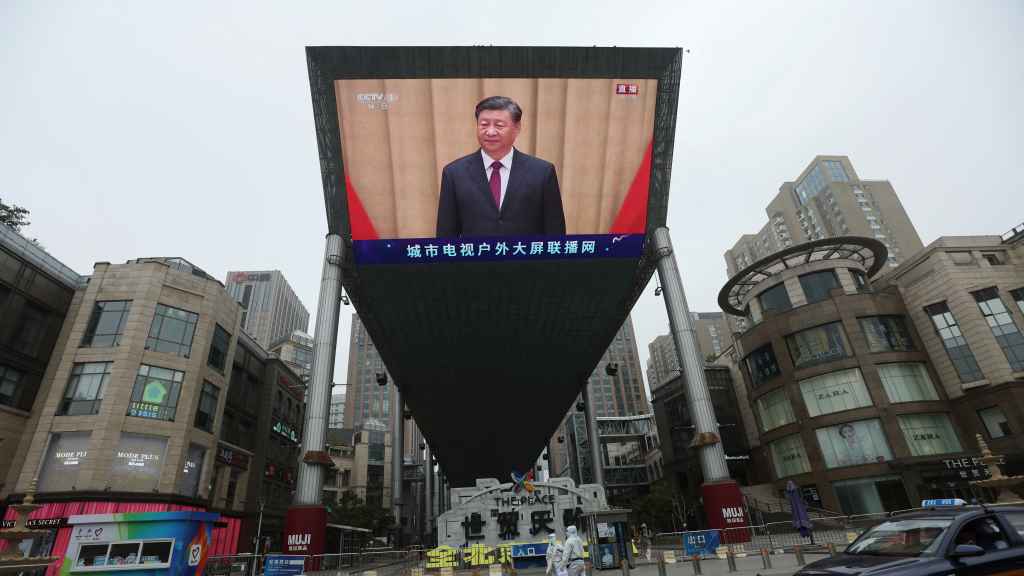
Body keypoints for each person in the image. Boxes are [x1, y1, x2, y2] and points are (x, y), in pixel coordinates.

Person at [435, 96, 566, 238]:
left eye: (499, 125)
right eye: (484, 124)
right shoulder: (454, 174)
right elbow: (445, 236)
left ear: (517, 128)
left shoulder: (542, 172)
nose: (490, 132)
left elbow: (555, 233)